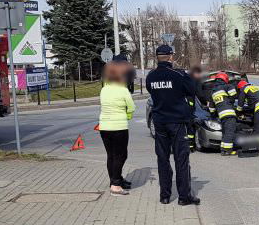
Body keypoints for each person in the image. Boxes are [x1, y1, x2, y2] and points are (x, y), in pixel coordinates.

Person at [146, 45, 200, 205]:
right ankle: (184, 197)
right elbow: (192, 90)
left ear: (157, 57)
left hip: (159, 122)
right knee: (181, 159)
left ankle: (165, 196)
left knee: (162, 159)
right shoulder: (178, 75)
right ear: (170, 57)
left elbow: (152, 92)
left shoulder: (151, 76)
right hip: (177, 122)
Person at [98, 61, 136, 195]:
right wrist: (128, 115)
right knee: (121, 155)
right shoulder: (123, 90)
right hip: (119, 127)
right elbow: (131, 107)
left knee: (111, 155)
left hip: (104, 127)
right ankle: (115, 185)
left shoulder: (104, 90)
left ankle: (115, 180)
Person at [207, 72, 238, 156]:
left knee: (225, 132)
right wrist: (230, 102)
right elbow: (234, 95)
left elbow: (211, 107)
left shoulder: (213, 92)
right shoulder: (227, 86)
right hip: (229, 113)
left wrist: (213, 115)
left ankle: (223, 150)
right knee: (230, 132)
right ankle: (228, 151)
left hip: (221, 115)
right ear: (225, 79)